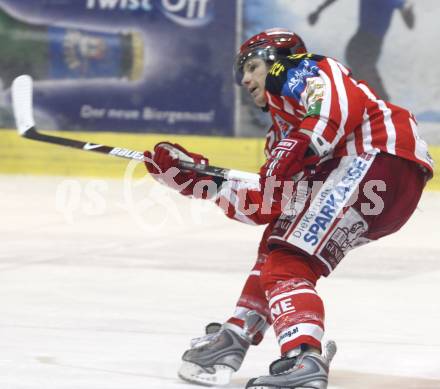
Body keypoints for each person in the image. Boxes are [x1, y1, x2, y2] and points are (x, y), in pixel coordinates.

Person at [144, 28, 434, 389]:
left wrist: (302, 141)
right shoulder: (280, 133)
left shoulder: (294, 70)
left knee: (288, 263)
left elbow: (339, 103)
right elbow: (271, 201)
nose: (246, 79)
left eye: (251, 67)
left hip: (374, 157)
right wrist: (201, 182)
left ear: (274, 57)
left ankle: (302, 357)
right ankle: (238, 332)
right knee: (277, 241)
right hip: (386, 188)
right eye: (242, 74)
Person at [308, 0, 415, 101]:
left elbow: (409, 22)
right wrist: (318, 10)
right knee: (373, 92)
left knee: (364, 89)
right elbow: (409, 22)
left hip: (366, 47)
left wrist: (319, 10)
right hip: (362, 45)